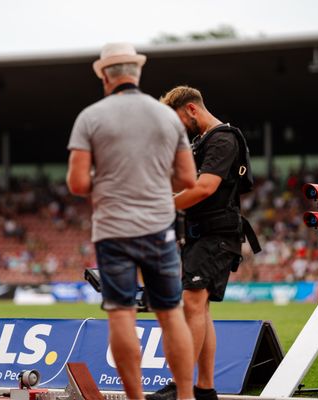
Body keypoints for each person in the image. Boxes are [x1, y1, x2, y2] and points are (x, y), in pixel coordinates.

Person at [67, 43, 197, 400]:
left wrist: (112, 178)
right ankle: (186, 396)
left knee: (122, 315)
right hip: (158, 228)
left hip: (113, 231)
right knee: (171, 314)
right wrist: (151, 179)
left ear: (105, 77)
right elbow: (188, 178)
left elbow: (78, 183)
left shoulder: (91, 117)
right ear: (137, 73)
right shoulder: (167, 116)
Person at [148, 86, 248, 400]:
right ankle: (205, 390)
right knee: (199, 308)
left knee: (191, 303)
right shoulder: (200, 142)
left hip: (217, 235)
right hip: (201, 234)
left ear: (191, 109)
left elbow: (205, 188)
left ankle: (181, 387)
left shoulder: (222, 139)